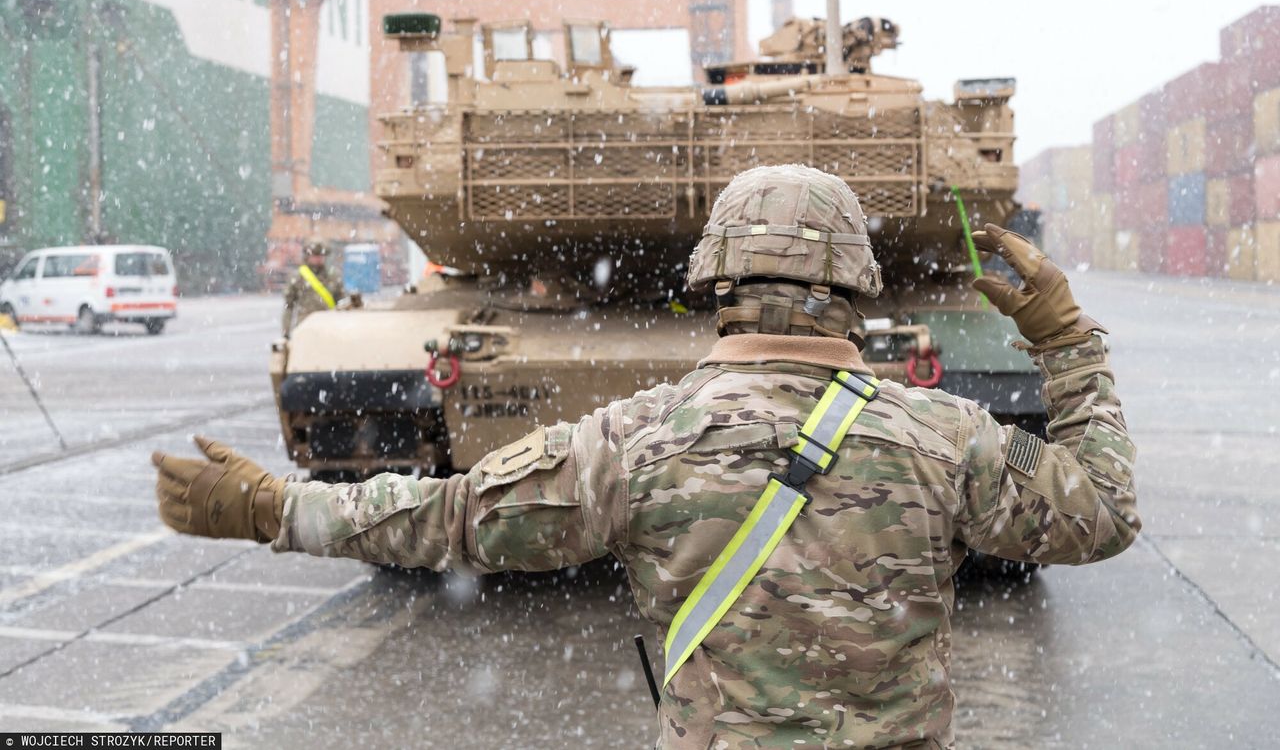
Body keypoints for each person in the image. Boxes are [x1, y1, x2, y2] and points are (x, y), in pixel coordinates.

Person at [154, 165, 1139, 748]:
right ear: (853, 286)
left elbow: (445, 519)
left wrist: (269, 507)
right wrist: (1065, 342)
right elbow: (1098, 511)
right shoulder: (943, 435)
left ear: (711, 280)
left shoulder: (633, 441)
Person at [281, 237, 347, 337]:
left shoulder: (333, 277)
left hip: (330, 328)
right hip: (305, 327)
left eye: (321, 255)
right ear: (307, 256)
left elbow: (343, 304)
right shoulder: (298, 277)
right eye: (315, 255)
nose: (318, 259)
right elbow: (289, 307)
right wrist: (286, 333)